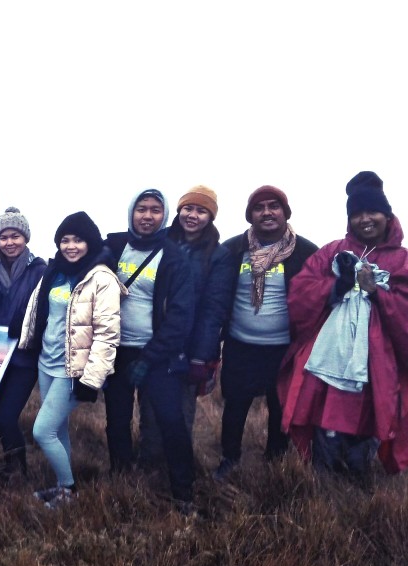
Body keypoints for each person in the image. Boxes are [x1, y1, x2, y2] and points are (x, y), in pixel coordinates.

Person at [277, 171, 408, 478]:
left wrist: (377, 294)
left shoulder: (402, 261)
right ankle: (325, 486)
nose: (365, 219)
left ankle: (361, 490)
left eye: (372, 212)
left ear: (387, 215)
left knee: (368, 421)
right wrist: (336, 287)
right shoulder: (332, 251)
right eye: (357, 213)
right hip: (329, 359)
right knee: (326, 418)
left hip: (377, 365)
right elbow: (299, 293)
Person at [19, 212, 124, 508]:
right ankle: (62, 489)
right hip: (46, 362)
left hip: (72, 368)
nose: (71, 246)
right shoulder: (55, 272)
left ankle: (70, 490)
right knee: (58, 428)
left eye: (77, 240)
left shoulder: (101, 278)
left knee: (42, 431)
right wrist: (26, 338)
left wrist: (91, 379)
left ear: (90, 242)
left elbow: (107, 334)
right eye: (64, 240)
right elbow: (35, 309)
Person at [215, 185, 318, 480]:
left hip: (284, 349)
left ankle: (275, 460)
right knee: (235, 404)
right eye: (259, 208)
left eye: (274, 206)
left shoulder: (306, 252)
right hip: (240, 345)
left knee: (279, 406)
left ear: (285, 213)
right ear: (251, 217)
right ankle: (229, 458)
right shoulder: (233, 250)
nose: (267, 212)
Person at [104, 189, 196, 511]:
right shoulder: (114, 247)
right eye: (141, 209)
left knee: (171, 420)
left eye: (155, 210)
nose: (147, 215)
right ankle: (121, 479)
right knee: (116, 420)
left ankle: (183, 492)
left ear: (165, 216)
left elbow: (181, 316)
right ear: (131, 213)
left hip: (156, 355)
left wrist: (149, 357)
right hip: (116, 351)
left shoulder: (173, 257)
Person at [139, 185, 232, 466]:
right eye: (188, 208)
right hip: (153, 341)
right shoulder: (160, 241)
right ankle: (147, 463)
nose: (192, 215)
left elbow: (212, 310)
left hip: (188, 347)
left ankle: (176, 468)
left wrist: (200, 357)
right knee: (148, 408)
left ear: (210, 217)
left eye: (201, 211)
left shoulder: (218, 254)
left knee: (179, 411)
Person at [0, 207, 47, 476]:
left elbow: (47, 312)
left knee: (6, 415)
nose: (9, 242)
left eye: (15, 236)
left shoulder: (40, 271)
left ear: (25, 238)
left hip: (23, 358)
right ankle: (8, 465)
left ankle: (19, 471)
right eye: (3, 237)